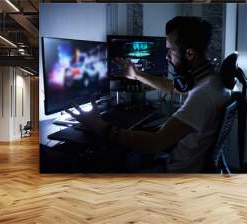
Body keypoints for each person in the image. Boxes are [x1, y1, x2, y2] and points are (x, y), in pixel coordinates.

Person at [69, 16, 231, 173]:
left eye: (170, 49)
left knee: (109, 161)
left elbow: (155, 143)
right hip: (185, 161)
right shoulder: (212, 81)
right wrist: (136, 74)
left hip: (176, 171)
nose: (167, 56)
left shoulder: (202, 95)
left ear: (189, 54)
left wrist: (100, 126)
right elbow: (174, 87)